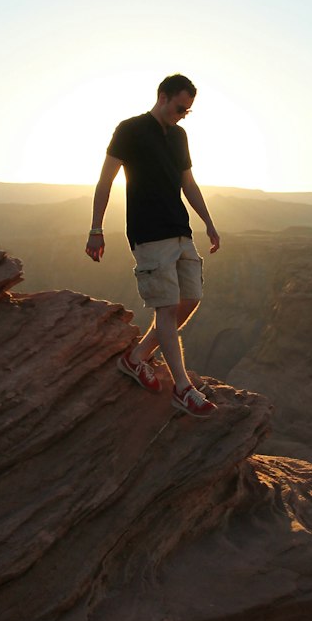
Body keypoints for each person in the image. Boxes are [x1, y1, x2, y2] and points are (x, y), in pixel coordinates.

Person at [86, 74, 220, 417]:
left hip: (180, 231)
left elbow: (188, 183)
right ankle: (183, 388)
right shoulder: (130, 130)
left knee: (190, 299)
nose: (182, 114)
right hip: (148, 235)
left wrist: (208, 222)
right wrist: (96, 228)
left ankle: (135, 358)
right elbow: (105, 180)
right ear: (162, 96)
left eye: (187, 110)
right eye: (179, 107)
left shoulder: (179, 136)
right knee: (165, 306)